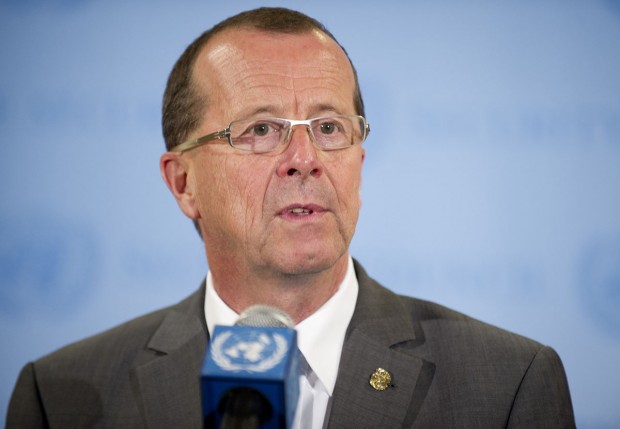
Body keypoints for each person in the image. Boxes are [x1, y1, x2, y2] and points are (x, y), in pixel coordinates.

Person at [6, 7, 575, 428]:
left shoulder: (506, 385)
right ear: (183, 183)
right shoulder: (61, 397)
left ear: (358, 160)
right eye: (261, 130)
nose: (305, 159)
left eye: (329, 128)